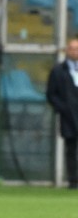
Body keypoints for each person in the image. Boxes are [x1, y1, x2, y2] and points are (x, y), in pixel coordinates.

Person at [46, 37, 78, 190]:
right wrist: (63, 108)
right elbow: (51, 94)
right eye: (72, 48)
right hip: (69, 117)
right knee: (71, 149)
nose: (75, 51)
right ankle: (73, 181)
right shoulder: (58, 70)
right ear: (67, 50)